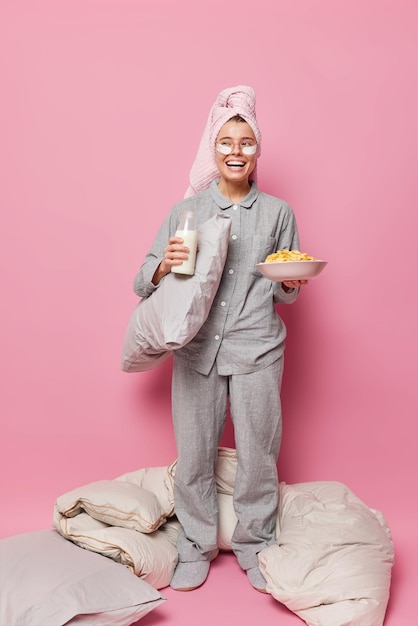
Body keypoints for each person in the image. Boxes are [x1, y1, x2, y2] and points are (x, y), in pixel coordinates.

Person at [133, 86, 306, 593]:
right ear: (213, 148)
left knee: (258, 454)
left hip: (257, 349)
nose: (236, 151)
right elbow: (143, 278)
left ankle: (255, 543)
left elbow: (285, 290)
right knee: (194, 454)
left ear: (257, 152)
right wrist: (164, 264)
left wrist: (291, 283)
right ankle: (195, 543)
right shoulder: (186, 210)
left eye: (246, 142)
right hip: (195, 351)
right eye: (226, 141)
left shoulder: (278, 214)